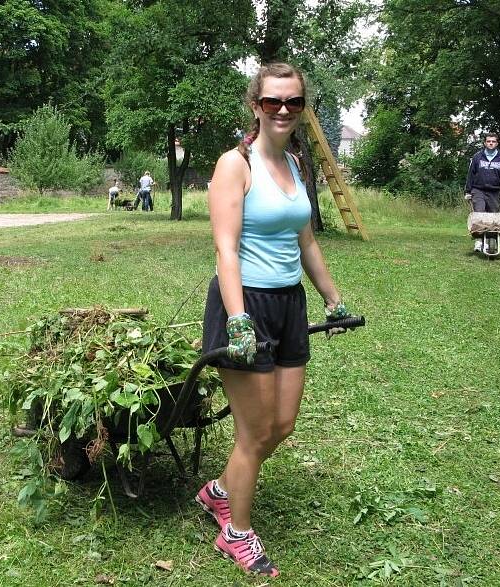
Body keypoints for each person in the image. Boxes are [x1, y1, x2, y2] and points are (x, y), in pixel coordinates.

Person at [197, 62, 354, 578]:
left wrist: (332, 298)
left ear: (303, 109)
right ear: (255, 106)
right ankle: (235, 533)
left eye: (293, 102)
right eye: (272, 102)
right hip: (244, 305)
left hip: (289, 304)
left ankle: (220, 491)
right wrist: (239, 319)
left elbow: (305, 239)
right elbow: (225, 249)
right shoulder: (235, 165)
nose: (283, 110)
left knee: (281, 424)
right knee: (255, 430)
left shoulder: (295, 166)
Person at [464, 133, 500, 253]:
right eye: (488, 141)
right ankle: (478, 241)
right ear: (485, 143)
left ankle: (488, 242)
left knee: (493, 217)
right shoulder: (477, 157)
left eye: (493, 141)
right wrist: (468, 190)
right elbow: (471, 174)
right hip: (478, 189)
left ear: (497, 143)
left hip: (494, 191)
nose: (491, 143)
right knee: (479, 214)